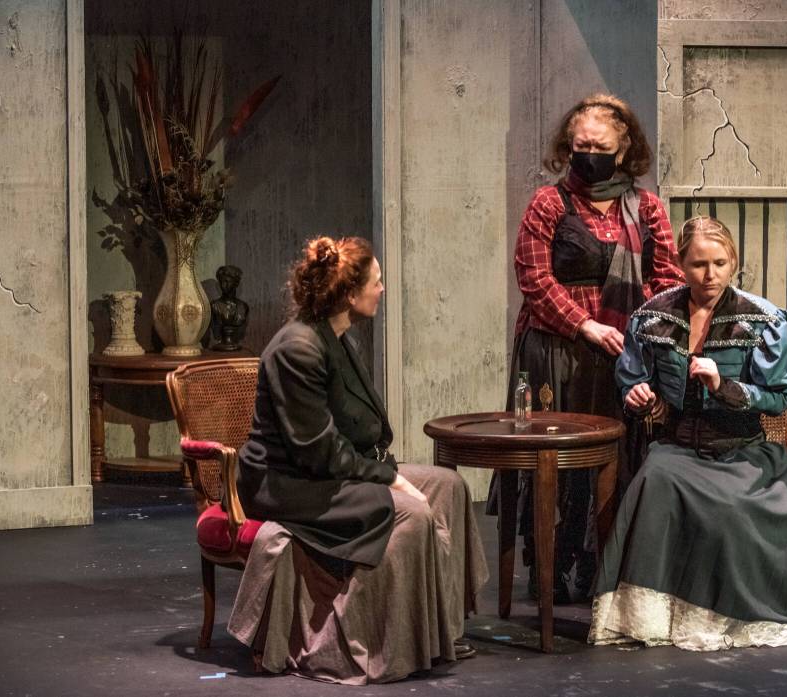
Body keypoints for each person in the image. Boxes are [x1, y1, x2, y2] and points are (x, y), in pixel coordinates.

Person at [228, 236, 488, 684]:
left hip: (331, 468)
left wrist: (386, 471)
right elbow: (317, 451)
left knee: (449, 485)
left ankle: (440, 631)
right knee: (408, 512)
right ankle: (389, 644)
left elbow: (350, 432)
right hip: (289, 484)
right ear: (350, 294)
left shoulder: (338, 337)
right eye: (377, 281)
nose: (382, 289)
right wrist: (389, 479)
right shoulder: (298, 349)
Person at [589, 216, 787, 651]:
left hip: (742, 449)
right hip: (677, 447)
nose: (709, 275)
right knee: (654, 483)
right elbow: (634, 379)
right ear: (681, 264)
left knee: (733, 510)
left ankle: (731, 613)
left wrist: (724, 386)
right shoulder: (653, 317)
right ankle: (658, 615)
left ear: (733, 263)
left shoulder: (764, 322)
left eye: (719, 263)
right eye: (697, 264)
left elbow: (780, 397)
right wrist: (638, 396)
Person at [495, 93, 684, 604]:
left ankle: (601, 564)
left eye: (599, 145)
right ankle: (548, 564)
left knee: (614, 461)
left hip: (623, 354)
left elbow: (666, 279)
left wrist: (642, 333)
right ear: (568, 146)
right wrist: (584, 325)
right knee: (554, 462)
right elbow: (534, 278)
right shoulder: (549, 203)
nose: (589, 153)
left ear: (622, 150)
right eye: (581, 145)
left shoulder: (647, 208)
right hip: (557, 352)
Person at [209, 264, 249, 351]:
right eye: (221, 282)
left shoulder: (243, 307)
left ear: (236, 283)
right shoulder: (214, 306)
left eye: (227, 281)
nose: (223, 285)